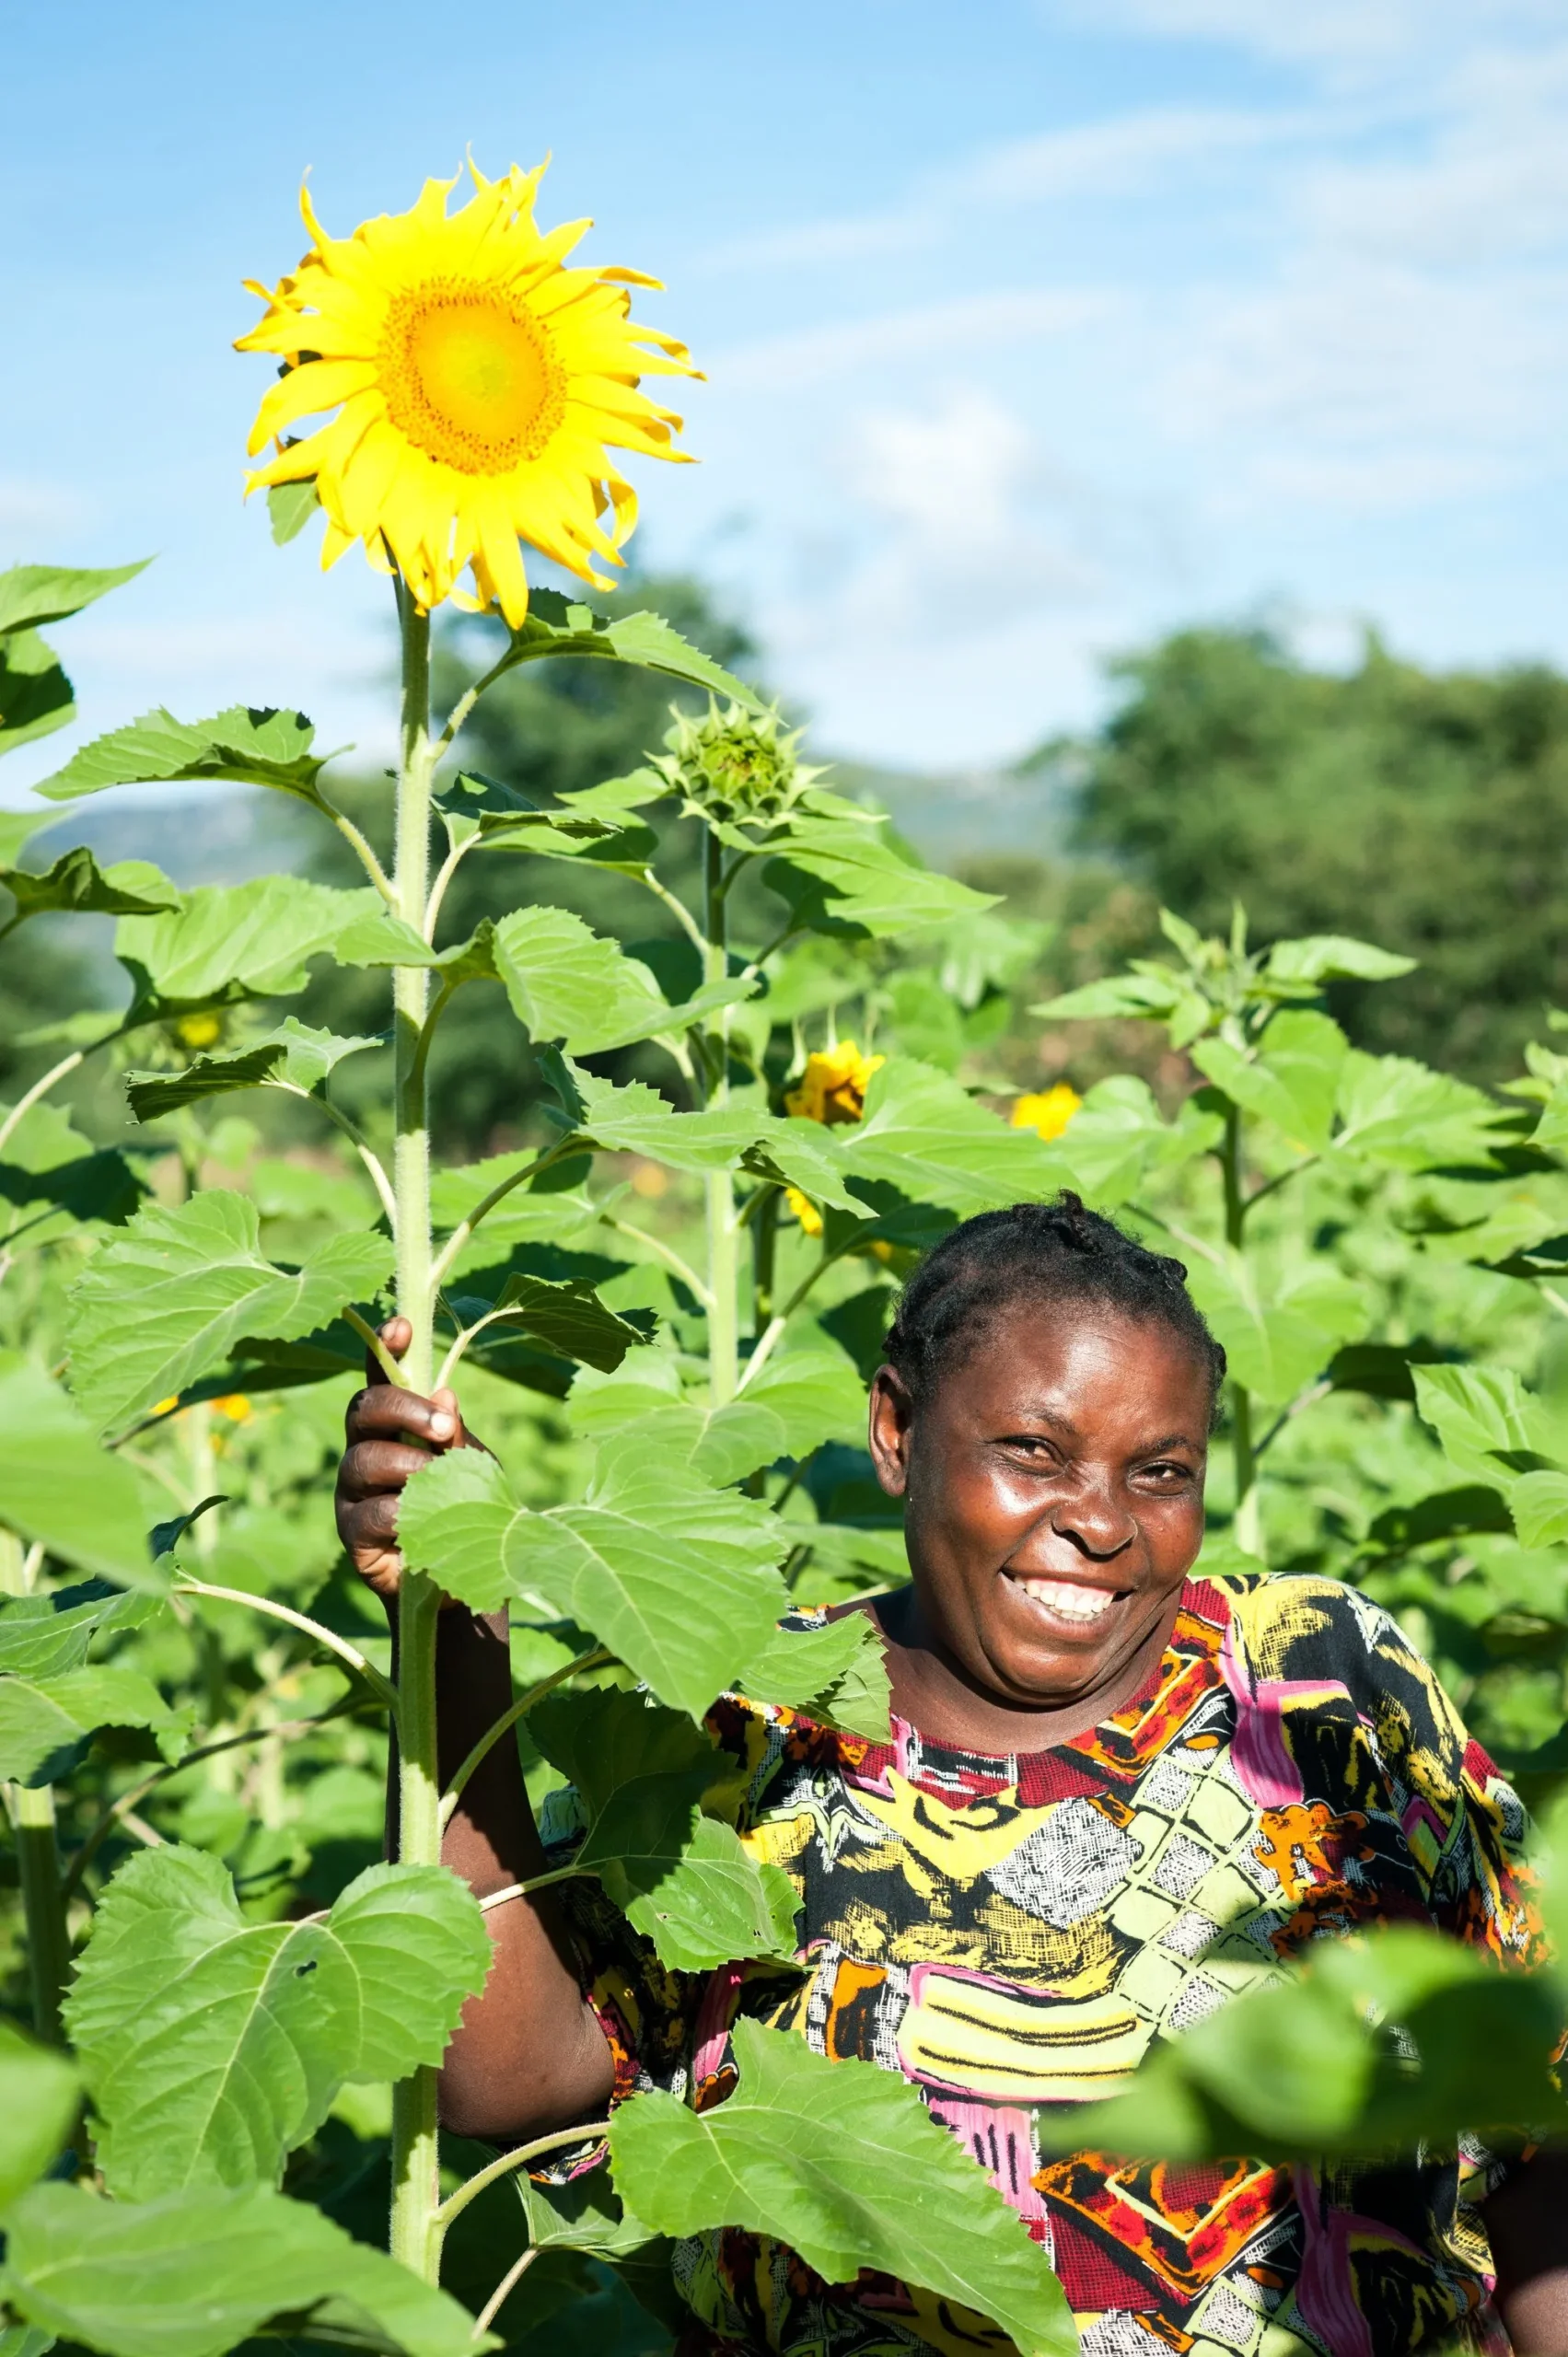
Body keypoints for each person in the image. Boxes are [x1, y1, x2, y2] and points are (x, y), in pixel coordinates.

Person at [336, 1196, 1568, 2357]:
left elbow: (1530, 2119)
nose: (1099, 1519)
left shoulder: (1313, 1683)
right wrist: (459, 1620)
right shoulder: (758, 1730)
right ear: (896, 1431)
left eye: (1159, 1470)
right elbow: (508, 2083)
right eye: (1031, 1451)